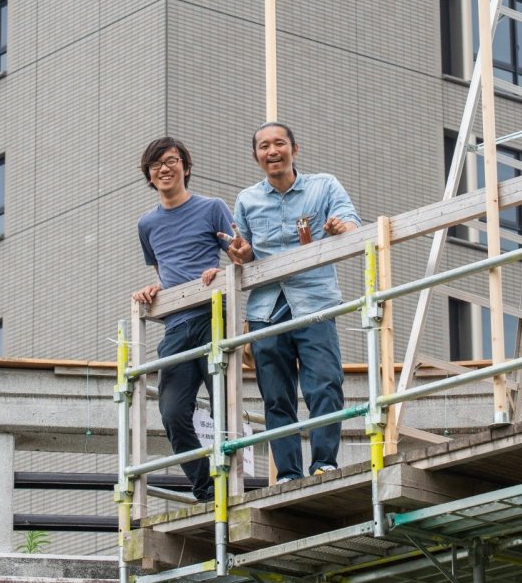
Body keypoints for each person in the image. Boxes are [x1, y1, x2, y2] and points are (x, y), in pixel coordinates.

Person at [224, 123, 361, 482]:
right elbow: (245, 253)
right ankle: (287, 473)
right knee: (276, 396)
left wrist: (338, 230)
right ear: (256, 156)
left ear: (294, 149)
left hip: (315, 303)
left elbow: (352, 225)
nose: (272, 151)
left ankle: (324, 463)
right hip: (265, 312)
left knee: (325, 385)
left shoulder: (324, 186)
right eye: (264, 146)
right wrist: (241, 254)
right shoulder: (247, 199)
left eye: (279, 144)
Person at [133, 137, 234, 503]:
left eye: (171, 161)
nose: (164, 168)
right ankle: (206, 488)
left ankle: (231, 481)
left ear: (185, 167)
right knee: (173, 412)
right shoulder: (146, 224)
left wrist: (217, 271)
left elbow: (240, 254)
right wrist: (153, 290)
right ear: (149, 174)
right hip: (176, 326)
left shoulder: (212, 208)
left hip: (212, 318)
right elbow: (166, 270)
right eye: (156, 164)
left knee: (226, 404)